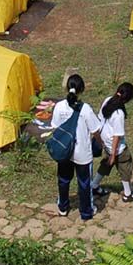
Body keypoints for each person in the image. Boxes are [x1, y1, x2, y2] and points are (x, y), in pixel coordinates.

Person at [50, 74, 102, 220]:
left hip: (65, 152)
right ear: (82, 89)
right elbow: (95, 130)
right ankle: (86, 212)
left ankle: (63, 207)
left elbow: (55, 127)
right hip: (82, 154)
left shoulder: (59, 106)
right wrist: (101, 144)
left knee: (63, 180)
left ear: (67, 87)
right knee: (84, 183)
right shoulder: (85, 109)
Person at [95, 82, 133, 202]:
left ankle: (94, 185)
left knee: (106, 164)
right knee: (125, 167)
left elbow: (99, 120)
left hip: (105, 142)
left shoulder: (108, 100)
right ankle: (128, 194)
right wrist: (113, 154)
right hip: (116, 147)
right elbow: (117, 136)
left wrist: (101, 142)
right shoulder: (119, 114)